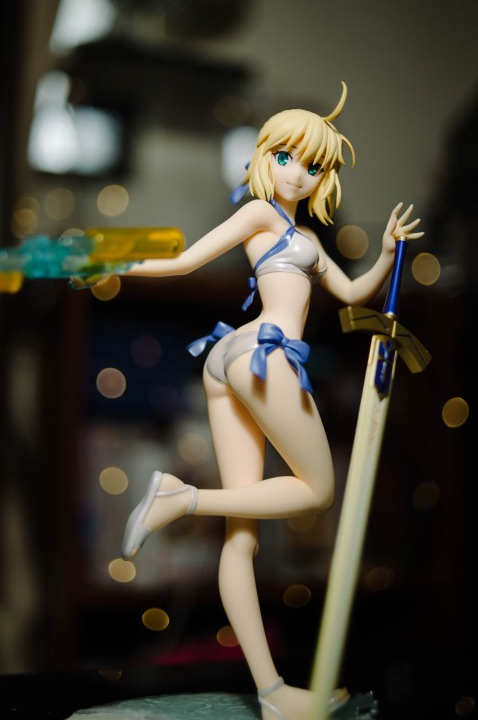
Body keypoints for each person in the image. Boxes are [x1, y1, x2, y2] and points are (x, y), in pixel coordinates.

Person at [120, 83, 423, 720]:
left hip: (229, 358)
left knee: (242, 542)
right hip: (264, 355)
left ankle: (271, 692)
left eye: (311, 165)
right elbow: (186, 260)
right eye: (286, 157)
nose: (296, 173)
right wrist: (121, 265)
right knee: (319, 490)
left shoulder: (304, 235)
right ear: (265, 157)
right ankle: (182, 499)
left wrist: (389, 251)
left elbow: (354, 294)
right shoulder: (260, 215)